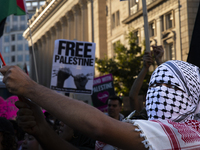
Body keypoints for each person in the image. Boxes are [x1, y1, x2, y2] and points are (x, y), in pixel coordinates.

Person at [2, 60, 200, 149]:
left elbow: (100, 127)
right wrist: (42, 129)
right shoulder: (139, 127)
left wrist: (30, 88)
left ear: (193, 96)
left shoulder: (191, 135)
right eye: (155, 84)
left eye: (171, 87)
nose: (160, 91)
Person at [129, 45, 163, 115]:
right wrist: (145, 67)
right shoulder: (145, 115)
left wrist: (159, 61)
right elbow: (132, 97)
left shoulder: (169, 111)